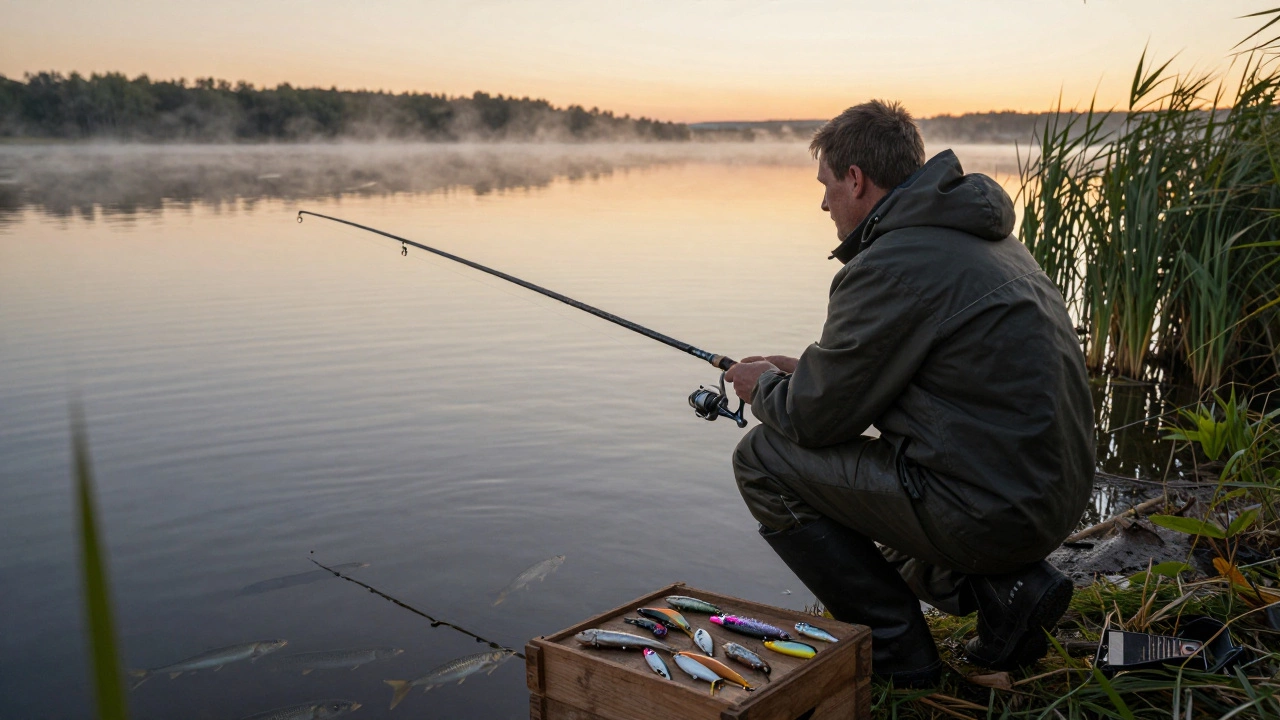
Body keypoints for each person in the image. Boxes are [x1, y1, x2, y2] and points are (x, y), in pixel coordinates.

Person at [724, 100, 1094, 687]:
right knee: (853, 500)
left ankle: (902, 662)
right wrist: (807, 373)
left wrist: (762, 387)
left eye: (825, 185)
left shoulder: (891, 263)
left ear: (855, 179)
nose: (823, 203)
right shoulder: (979, 237)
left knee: (762, 460)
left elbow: (815, 421)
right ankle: (1003, 590)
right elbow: (924, 380)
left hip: (996, 509)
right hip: (1050, 494)